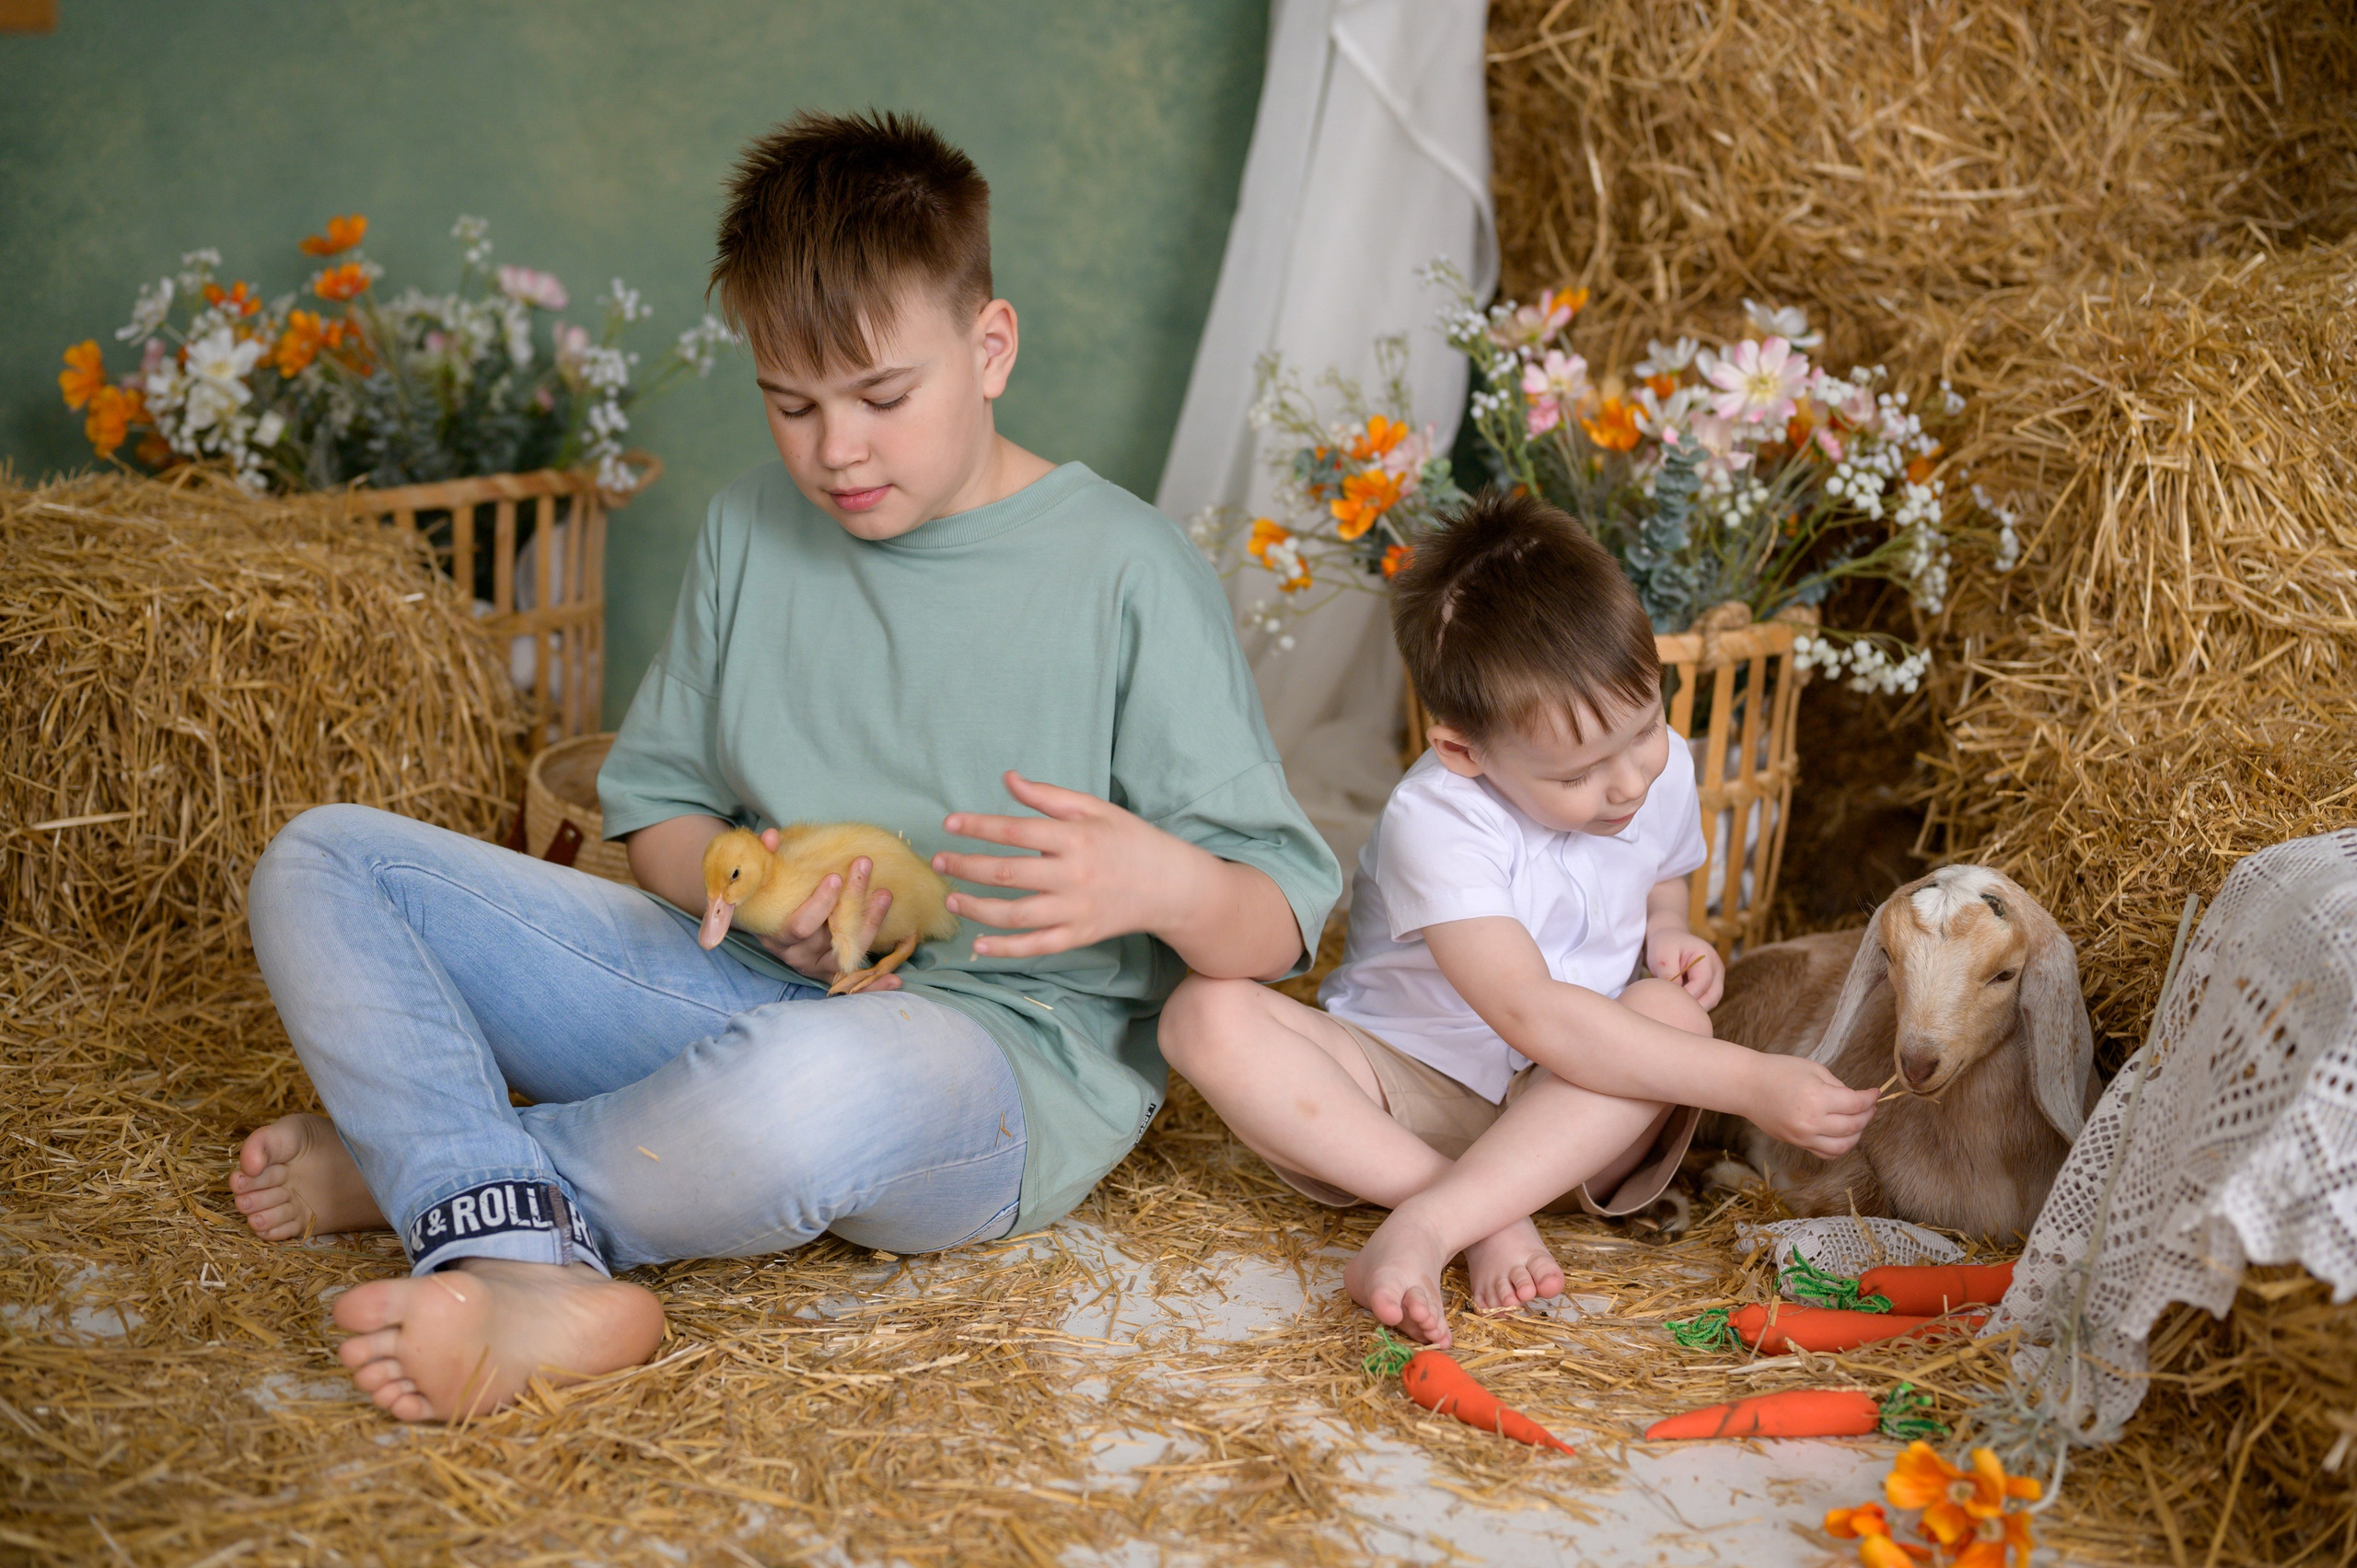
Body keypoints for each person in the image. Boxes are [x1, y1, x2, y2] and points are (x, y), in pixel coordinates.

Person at [228, 111, 1340, 1422]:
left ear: (990, 349)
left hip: (985, 1063)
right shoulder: (753, 525)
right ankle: (521, 1267)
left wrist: (1156, 878)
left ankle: (441, 1172)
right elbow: (654, 813)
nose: (837, 451)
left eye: (882, 397)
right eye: (790, 404)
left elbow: (1275, 920)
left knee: (810, 1083)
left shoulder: (1127, 571)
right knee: (326, 860)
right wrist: (749, 895)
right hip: (734, 981)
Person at [1159, 492, 1877, 1347]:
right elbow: (1529, 1010)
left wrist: (1669, 929)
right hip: (1401, 1093)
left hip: (1572, 1113)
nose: (1626, 784)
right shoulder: (1437, 816)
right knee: (1203, 1013)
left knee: (1668, 1010)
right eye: (1576, 775)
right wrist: (1755, 1082)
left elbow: (1665, 869)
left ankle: (1452, 1210)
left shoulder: (1661, 765)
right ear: (1465, 750)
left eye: (1643, 731)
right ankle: (1462, 1212)